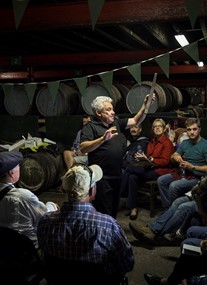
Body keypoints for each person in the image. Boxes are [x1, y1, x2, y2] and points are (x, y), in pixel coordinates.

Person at [37, 163, 134, 284]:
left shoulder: (45, 221)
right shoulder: (109, 225)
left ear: (63, 189)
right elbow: (127, 264)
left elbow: (44, 258)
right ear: (92, 191)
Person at [80, 94, 155, 218]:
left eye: (112, 109)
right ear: (98, 113)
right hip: (101, 179)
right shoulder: (91, 127)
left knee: (113, 211)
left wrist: (145, 105)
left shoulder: (116, 123)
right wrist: (102, 139)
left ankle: (110, 234)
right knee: (104, 212)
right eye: (108, 110)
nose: (112, 112)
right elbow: (83, 148)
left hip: (117, 176)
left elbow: (136, 120)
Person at [0, 150, 58, 249]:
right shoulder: (22, 196)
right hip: (26, 251)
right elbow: (45, 216)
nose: (20, 168)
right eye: (18, 166)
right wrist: (52, 205)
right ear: (11, 173)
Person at [121, 118, 174, 220]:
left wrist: (152, 160)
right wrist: (142, 158)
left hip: (160, 171)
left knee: (129, 169)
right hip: (149, 168)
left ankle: (121, 192)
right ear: (152, 129)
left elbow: (166, 161)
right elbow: (148, 157)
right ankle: (133, 208)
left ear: (163, 129)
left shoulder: (167, 143)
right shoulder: (152, 142)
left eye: (159, 126)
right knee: (132, 176)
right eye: (155, 126)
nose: (157, 128)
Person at [157, 118, 207, 209]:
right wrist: (175, 156)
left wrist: (193, 167)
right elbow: (173, 156)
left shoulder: (205, 145)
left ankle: (172, 212)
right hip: (183, 173)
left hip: (197, 177)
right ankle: (169, 209)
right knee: (161, 180)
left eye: (194, 129)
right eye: (189, 129)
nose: (191, 132)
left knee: (174, 186)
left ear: (199, 129)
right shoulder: (185, 143)